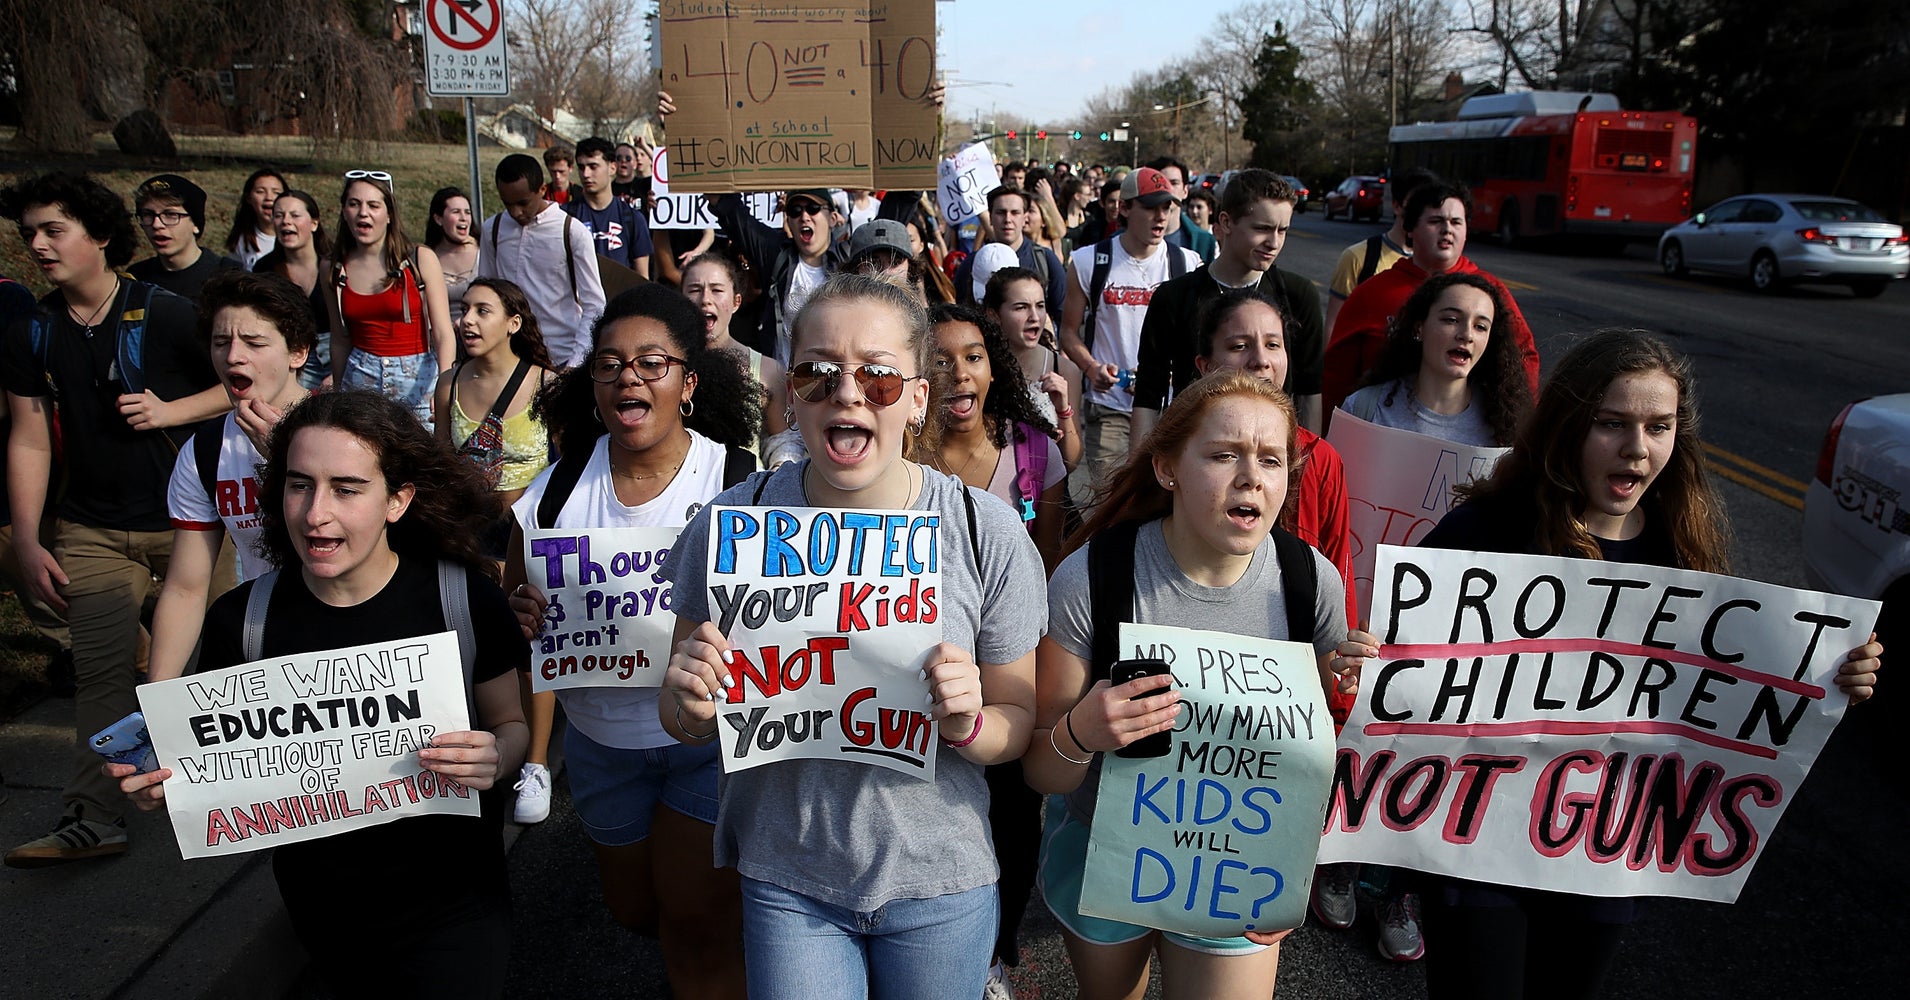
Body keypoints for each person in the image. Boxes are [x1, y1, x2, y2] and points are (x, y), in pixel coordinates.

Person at [1412, 328, 1883, 999]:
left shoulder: (1684, 557)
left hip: (1603, 854)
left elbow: (1731, 693)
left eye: (1658, 426)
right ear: (1568, 427)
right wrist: (1367, 657)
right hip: (1475, 849)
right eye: (1612, 424)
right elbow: (1410, 666)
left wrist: (1830, 676)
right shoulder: (1485, 533)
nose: (1638, 448)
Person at [659, 274, 1045, 1000]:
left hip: (941, 878)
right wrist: (690, 702)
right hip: (788, 878)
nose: (848, 392)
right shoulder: (726, 527)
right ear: (791, 395)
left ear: (918, 399)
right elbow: (679, 720)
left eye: (877, 374)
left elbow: (1017, 726)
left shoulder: (983, 532)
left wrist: (970, 721)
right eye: (817, 371)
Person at [111, 390, 529, 996]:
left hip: (457, 901)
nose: (315, 513)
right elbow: (212, 766)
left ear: (398, 499)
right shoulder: (243, 621)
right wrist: (162, 787)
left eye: (348, 488)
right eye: (299, 484)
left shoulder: (461, 601)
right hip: (324, 911)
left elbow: (510, 726)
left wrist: (494, 758)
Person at [1024, 369, 1375, 1000]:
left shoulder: (1309, 582)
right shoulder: (1093, 578)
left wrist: (1345, 687)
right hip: (1105, 853)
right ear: (1167, 469)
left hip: (1238, 862)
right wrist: (1082, 731)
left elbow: (1309, 756)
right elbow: (1043, 773)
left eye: (1271, 460)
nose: (1251, 477)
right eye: (1223, 455)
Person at [503, 283, 761, 997]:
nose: (630, 376)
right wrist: (521, 610)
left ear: (688, 383)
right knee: (634, 909)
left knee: (695, 923)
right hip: (597, 745)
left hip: (705, 745)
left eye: (652, 363)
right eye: (611, 363)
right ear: (593, 384)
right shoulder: (551, 494)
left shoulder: (739, 485)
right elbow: (517, 598)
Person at [2, 172, 227, 867]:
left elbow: (246, 380)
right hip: (92, 528)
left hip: (191, 523)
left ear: (99, 236)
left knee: (213, 667)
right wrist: (32, 538)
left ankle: (237, 797)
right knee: (100, 677)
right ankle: (92, 815)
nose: (38, 245)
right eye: (29, 233)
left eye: (53, 230)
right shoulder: (33, 328)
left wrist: (170, 411)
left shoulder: (160, 312)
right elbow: (30, 436)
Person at [924, 301, 1064, 997]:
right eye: (939, 357)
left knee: (1013, 822)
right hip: (921, 686)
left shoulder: (1036, 451)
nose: (958, 372)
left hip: (1012, 676)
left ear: (993, 366)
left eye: (973, 355)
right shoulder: (892, 456)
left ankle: (995, 955)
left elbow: (1054, 560)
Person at [147, 271, 314, 684]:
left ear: (298, 353)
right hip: (269, 649)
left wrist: (284, 456)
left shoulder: (356, 431)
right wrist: (156, 702)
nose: (233, 356)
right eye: (221, 343)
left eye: (254, 343)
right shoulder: (203, 453)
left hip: (368, 646)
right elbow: (186, 588)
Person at [1133, 169, 1325, 438]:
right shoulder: (1174, 296)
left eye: (1283, 230)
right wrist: (1140, 473)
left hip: (1274, 451)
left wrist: (1305, 467)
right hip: (1194, 449)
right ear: (1226, 222)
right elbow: (1148, 396)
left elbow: (1309, 391)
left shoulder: (1298, 295)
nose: (1274, 242)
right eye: (1262, 229)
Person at [1324, 183, 1540, 416]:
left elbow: (1524, 360)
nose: (1447, 230)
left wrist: (1517, 424)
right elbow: (1336, 374)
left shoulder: (1491, 293)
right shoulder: (1373, 293)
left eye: (1456, 222)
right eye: (1435, 221)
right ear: (1410, 229)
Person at [1058, 167, 1202, 492]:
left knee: (1166, 499)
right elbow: (1068, 333)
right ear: (1124, 208)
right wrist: (1092, 367)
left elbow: (1198, 340)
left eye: (1166, 207)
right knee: (1109, 498)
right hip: (1110, 406)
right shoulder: (1088, 262)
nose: (1160, 216)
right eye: (1150, 207)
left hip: (1170, 408)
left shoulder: (1187, 264)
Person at [327, 170, 457, 430]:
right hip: (359, 381)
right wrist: (338, 393)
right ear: (344, 211)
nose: (363, 212)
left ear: (389, 214)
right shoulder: (333, 267)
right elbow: (339, 338)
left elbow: (443, 332)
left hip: (418, 383)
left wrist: (445, 387)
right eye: (354, 204)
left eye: (373, 205)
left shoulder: (419, 259)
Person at [1341, 271, 1533, 448]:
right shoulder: (1363, 409)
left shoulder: (1505, 426)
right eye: (1451, 320)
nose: (1467, 335)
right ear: (1419, 328)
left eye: (1480, 327)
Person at [479, 154, 608, 370]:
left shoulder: (571, 231)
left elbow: (594, 304)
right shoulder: (493, 228)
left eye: (523, 203)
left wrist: (575, 365)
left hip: (561, 356)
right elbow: (486, 293)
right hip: (509, 356)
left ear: (541, 190)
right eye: (507, 204)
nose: (516, 212)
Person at [704, 186, 842, 364]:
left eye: (813, 209)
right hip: (783, 381)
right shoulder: (777, 255)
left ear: (832, 218)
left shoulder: (849, 260)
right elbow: (735, 216)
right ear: (788, 220)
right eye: (795, 211)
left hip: (833, 381)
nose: (804, 217)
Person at [683, 253, 788, 453]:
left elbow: (782, 443)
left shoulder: (770, 371)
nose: (705, 299)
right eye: (695, 289)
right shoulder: (665, 366)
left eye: (717, 290)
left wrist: (778, 467)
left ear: (736, 302)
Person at [983, 266, 1082, 473]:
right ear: (994, 315)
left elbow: (1071, 463)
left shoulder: (1064, 370)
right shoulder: (980, 366)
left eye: (1040, 306)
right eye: (1021, 307)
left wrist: (1063, 410)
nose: (1035, 316)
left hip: (1045, 497)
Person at [1324, 167, 1440, 337]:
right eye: (1415, 205)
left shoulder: (1443, 263)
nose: (1422, 213)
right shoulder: (1358, 257)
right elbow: (1334, 327)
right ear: (1397, 206)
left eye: (1429, 207)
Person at [252, 189, 335, 390]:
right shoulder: (265, 269)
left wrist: (339, 371)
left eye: (295, 215)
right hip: (296, 356)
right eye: (279, 215)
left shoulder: (335, 264)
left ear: (314, 223)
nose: (285, 221)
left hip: (337, 352)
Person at [954, 187, 1065, 327]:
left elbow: (1063, 316)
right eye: (1001, 212)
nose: (1007, 219)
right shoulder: (972, 263)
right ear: (990, 218)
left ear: (1025, 218)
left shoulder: (1045, 260)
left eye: (1015, 213)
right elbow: (960, 311)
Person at [130, 173, 242, 303]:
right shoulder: (136, 278)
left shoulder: (229, 276)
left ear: (195, 224)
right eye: (148, 215)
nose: (156, 224)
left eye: (170, 214)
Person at [570, 136, 655, 279]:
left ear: (612, 168)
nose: (586, 174)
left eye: (593, 166)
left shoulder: (633, 219)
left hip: (621, 299)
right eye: (581, 167)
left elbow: (643, 279)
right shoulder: (566, 216)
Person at [1146, 157, 1217, 264]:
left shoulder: (1204, 240)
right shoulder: (1126, 238)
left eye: (1174, 183)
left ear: (1185, 191)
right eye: (1161, 183)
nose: (1168, 189)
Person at [425, 187, 480, 324]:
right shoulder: (426, 257)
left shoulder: (484, 251)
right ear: (438, 219)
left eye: (467, 213)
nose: (463, 218)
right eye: (456, 212)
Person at [223, 167, 288, 270]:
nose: (269, 197)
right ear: (249, 198)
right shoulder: (241, 242)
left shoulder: (297, 236)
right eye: (260, 191)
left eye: (276, 192)